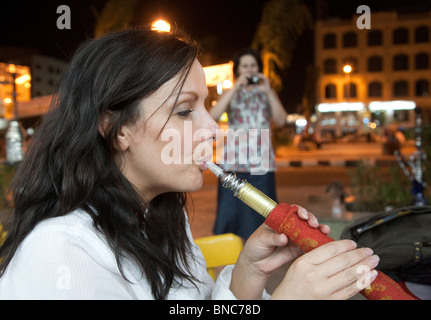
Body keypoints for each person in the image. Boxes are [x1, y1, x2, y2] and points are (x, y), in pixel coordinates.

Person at [0, 29, 379, 300]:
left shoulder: (163, 215)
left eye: (204, 106)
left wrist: (248, 273)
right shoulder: (60, 251)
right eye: (185, 110)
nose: (213, 129)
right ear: (116, 129)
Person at [210, 48, 287, 239]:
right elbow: (213, 116)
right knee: (231, 216)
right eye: (245, 66)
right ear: (237, 70)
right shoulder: (231, 93)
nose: (250, 69)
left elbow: (281, 120)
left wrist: (269, 91)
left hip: (261, 163)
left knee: (262, 215)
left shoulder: (266, 94)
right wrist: (235, 87)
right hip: (233, 162)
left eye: (253, 65)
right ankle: (232, 259)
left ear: (259, 69)